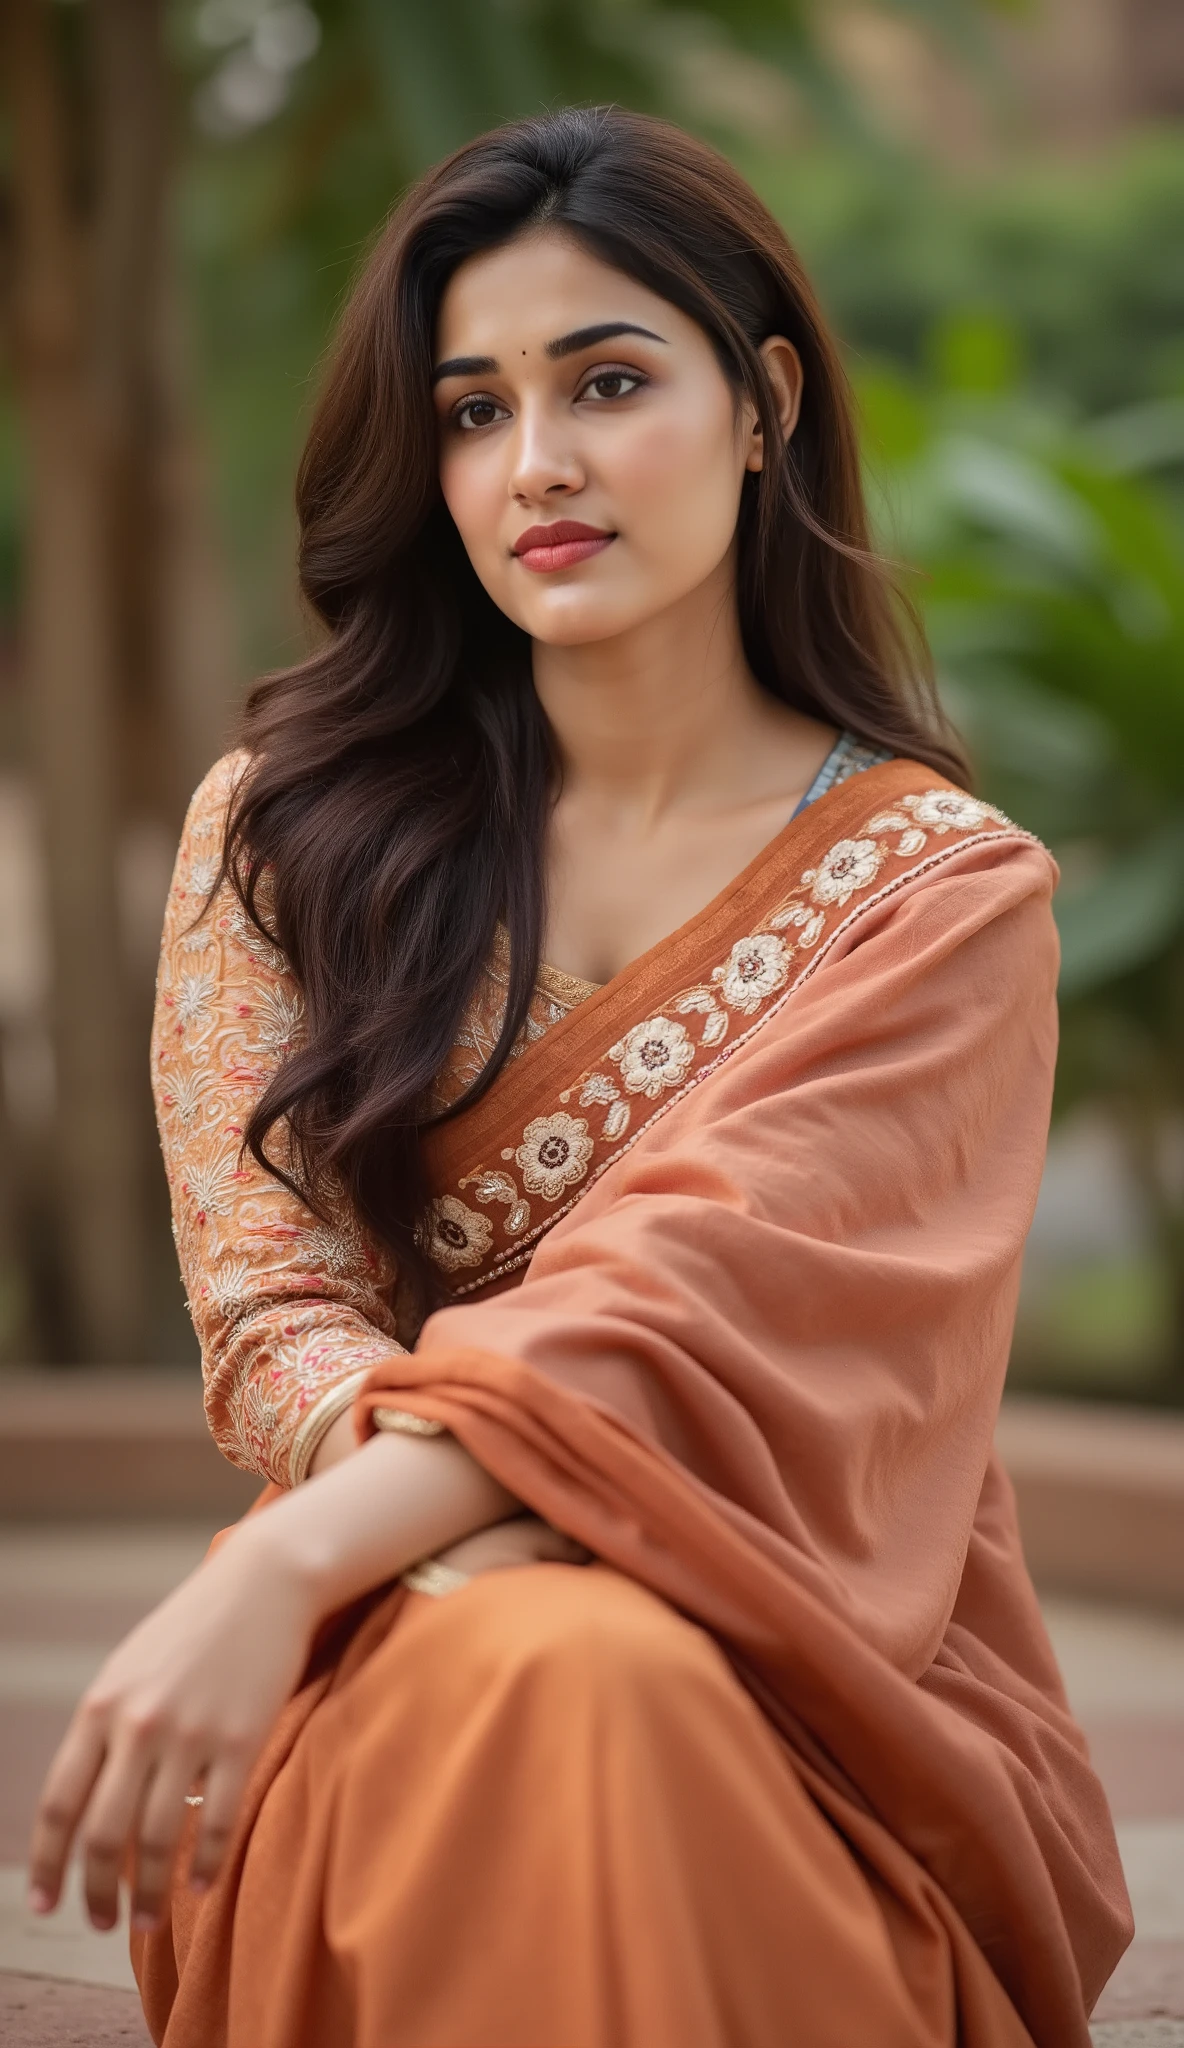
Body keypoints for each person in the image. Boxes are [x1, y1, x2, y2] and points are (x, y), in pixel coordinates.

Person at [28, 106, 1129, 2048]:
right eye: (469, 410)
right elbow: (274, 1309)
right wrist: (469, 1534)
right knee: (543, 1665)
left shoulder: (936, 900)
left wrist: (291, 1556)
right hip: (395, 1654)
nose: (533, 464)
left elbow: (704, 1307)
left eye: (606, 383)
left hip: (823, 1704)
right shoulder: (291, 840)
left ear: (765, 399)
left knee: (591, 1678)